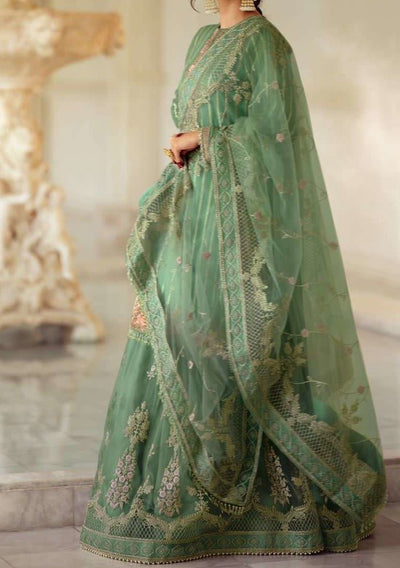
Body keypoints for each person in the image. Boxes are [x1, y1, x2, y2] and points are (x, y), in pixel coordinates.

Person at [80, 0, 387, 563]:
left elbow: (277, 139)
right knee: (168, 326)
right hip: (193, 210)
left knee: (225, 343)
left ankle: (253, 502)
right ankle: (163, 499)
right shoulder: (201, 41)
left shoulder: (265, 43)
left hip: (238, 225)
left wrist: (208, 138)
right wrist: (192, 142)